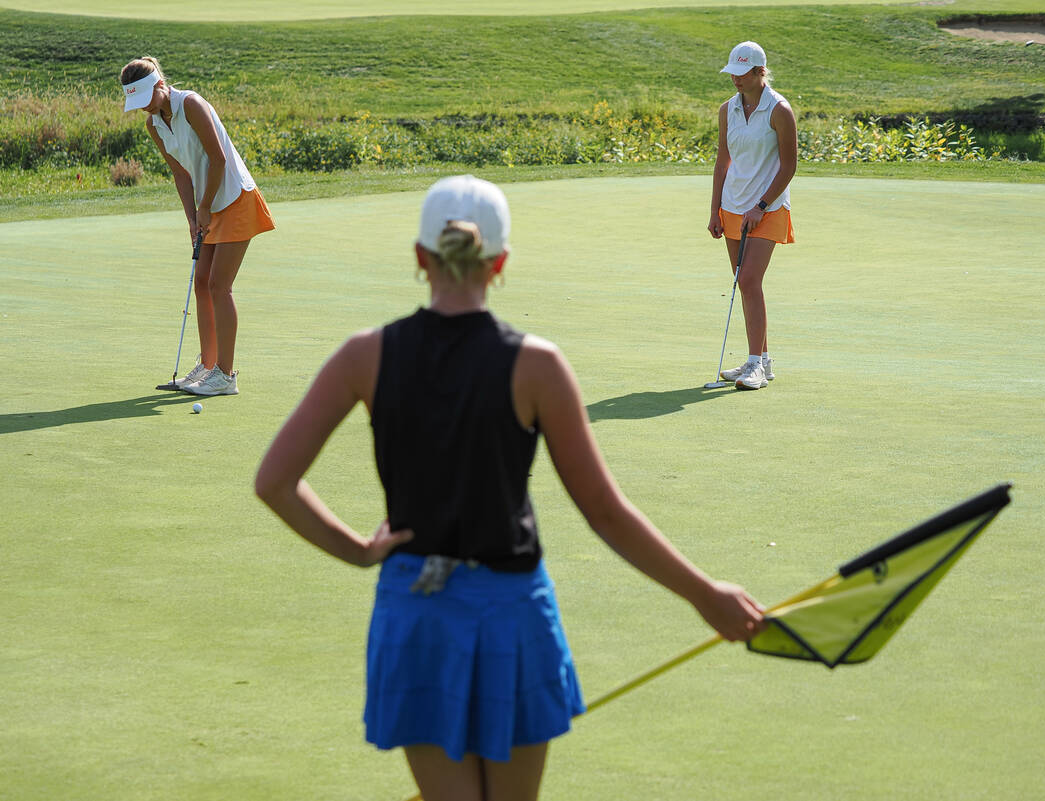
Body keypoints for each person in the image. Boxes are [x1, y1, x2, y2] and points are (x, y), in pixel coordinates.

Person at [255, 175, 766, 801]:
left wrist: (360, 551)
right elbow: (604, 512)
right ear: (499, 264)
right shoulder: (537, 365)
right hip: (512, 612)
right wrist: (705, 594)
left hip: (416, 610)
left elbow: (275, 483)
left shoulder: (365, 356)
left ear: (420, 258)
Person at [120, 56, 275, 396]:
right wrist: (192, 218)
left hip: (233, 197)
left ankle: (226, 375)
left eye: (146, 98)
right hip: (207, 205)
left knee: (219, 285)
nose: (144, 107)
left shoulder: (191, 104)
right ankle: (208, 365)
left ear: (160, 85)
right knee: (202, 282)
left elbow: (218, 159)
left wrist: (204, 207)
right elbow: (181, 173)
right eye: (137, 102)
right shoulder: (154, 124)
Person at [707, 41, 797, 391]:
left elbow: (789, 166)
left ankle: (755, 365)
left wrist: (760, 206)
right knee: (744, 283)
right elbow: (722, 161)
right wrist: (715, 209)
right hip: (732, 206)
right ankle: (762, 360)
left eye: (742, 74)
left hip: (767, 208)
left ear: (760, 72)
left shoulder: (779, 110)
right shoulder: (727, 109)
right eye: (732, 73)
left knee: (748, 280)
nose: (735, 79)